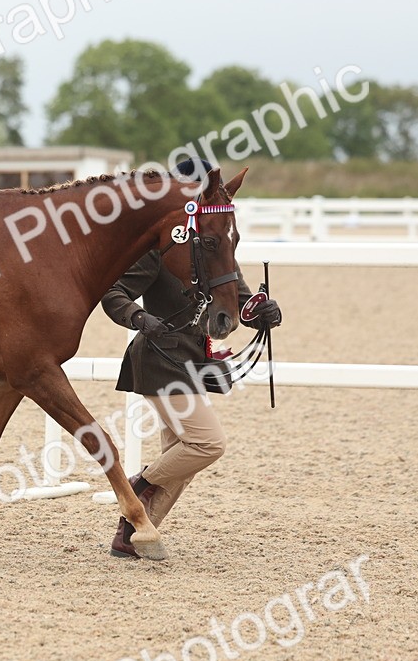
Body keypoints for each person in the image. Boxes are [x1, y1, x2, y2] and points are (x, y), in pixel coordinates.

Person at [100, 159, 282, 558]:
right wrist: (141, 319)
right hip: (159, 359)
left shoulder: (213, 244)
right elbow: (113, 293)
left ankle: (132, 537)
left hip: (193, 361)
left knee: (181, 461)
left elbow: (238, 304)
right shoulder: (159, 246)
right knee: (206, 444)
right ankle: (137, 485)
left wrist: (263, 312)